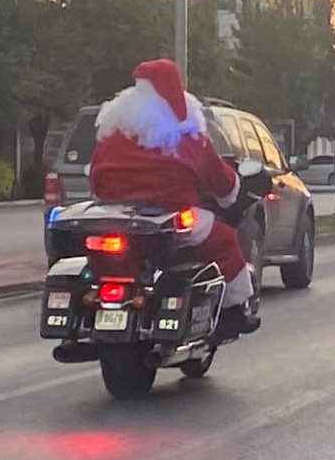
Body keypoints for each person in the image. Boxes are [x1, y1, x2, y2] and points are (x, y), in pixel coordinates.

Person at [90, 58, 259, 340]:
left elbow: (95, 177)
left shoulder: (114, 131)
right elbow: (222, 182)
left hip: (117, 218)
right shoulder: (185, 135)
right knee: (224, 241)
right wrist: (231, 194)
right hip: (170, 218)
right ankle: (233, 312)